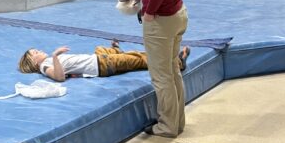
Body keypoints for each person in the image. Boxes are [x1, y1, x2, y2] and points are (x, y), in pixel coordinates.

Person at [128, 0, 188, 138]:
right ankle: (177, 122)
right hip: (178, 14)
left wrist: (150, 10)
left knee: (161, 76)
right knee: (173, 71)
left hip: (162, 21)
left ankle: (166, 126)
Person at [18, 41, 190, 81]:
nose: (39, 50)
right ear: (34, 63)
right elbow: (59, 77)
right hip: (102, 65)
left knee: (101, 48)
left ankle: (117, 52)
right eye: (35, 53)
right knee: (138, 58)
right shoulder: (45, 65)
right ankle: (177, 63)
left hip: (99, 60)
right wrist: (55, 56)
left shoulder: (46, 61)